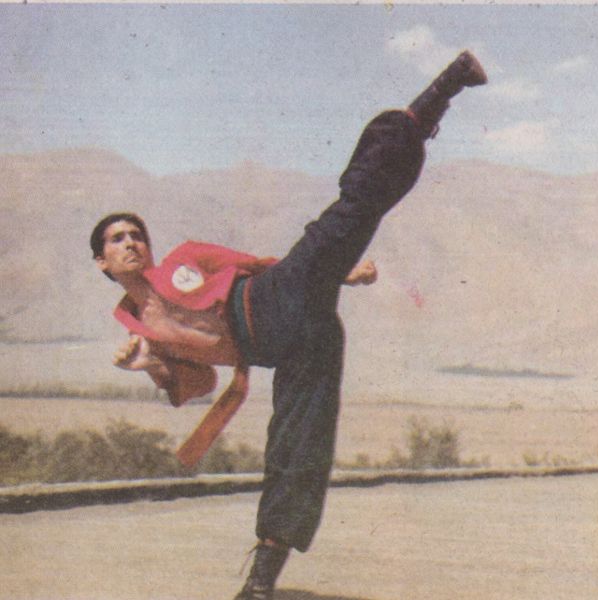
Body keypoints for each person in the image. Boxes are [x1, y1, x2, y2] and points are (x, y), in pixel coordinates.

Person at [90, 50, 486, 600]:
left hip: (276, 295)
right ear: (103, 263)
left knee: (353, 210)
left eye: (136, 234)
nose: (132, 242)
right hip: (290, 350)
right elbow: (197, 385)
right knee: (295, 451)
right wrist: (150, 365)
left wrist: (335, 270)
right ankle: (260, 584)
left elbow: (259, 264)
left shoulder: (185, 258)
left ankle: (433, 100)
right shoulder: (142, 331)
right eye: (118, 239)